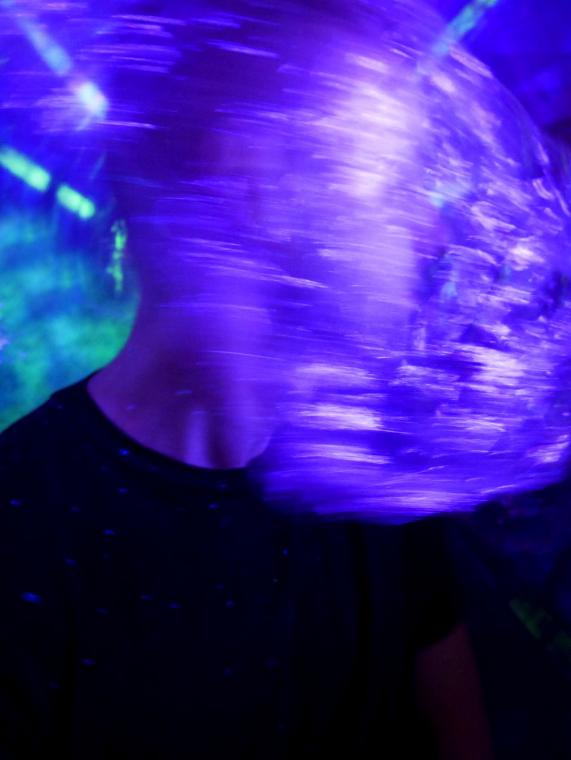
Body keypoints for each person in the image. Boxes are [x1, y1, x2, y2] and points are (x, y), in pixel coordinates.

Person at [0, 1, 494, 757]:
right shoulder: (22, 533)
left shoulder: (368, 462)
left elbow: (455, 729)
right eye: (397, 177)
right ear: (254, 180)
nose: (433, 232)